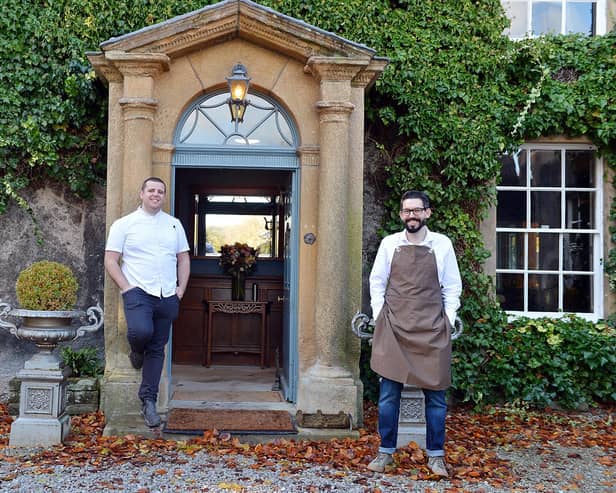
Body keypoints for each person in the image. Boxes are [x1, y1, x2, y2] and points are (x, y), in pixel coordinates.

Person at [367, 190, 462, 477]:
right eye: (407, 211)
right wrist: (379, 317)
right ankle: (385, 453)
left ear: (427, 213)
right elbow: (377, 282)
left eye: (417, 210)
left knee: (435, 398)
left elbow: (452, 286)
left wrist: (447, 319)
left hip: (432, 330)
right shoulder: (389, 244)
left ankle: (436, 456)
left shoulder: (442, 245)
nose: (412, 215)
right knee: (387, 396)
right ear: (401, 215)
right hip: (393, 329)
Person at [104, 177, 190, 428]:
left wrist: (181, 289)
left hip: (167, 293)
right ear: (141, 194)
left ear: (164, 196)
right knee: (141, 331)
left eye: (160, 191)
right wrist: (127, 288)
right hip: (138, 291)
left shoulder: (174, 225)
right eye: (151, 190)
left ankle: (148, 401)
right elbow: (111, 260)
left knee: (158, 348)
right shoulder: (124, 224)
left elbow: (183, 259)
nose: (156, 194)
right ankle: (136, 350)